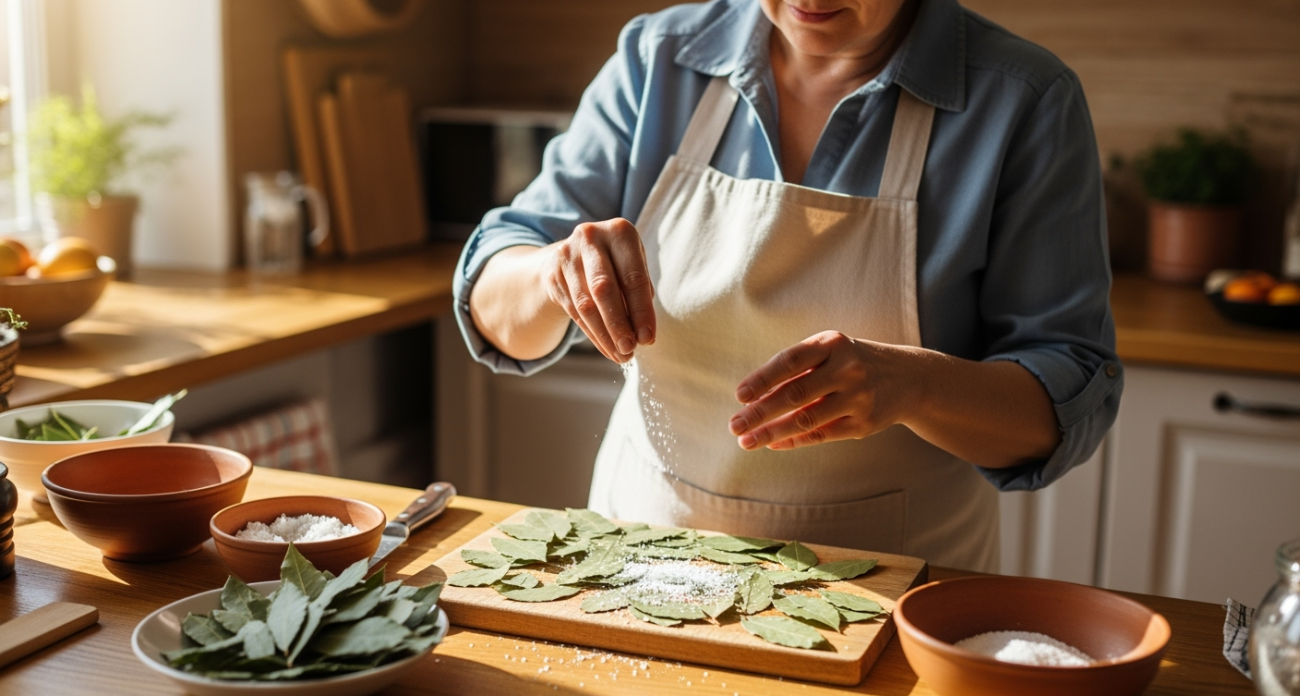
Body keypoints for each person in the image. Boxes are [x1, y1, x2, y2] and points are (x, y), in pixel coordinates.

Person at [454, 0, 1121, 572]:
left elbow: (1065, 401)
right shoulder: (659, 58)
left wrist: (915, 386)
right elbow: (492, 294)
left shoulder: (1022, 101)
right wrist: (552, 273)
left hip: (892, 587)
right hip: (639, 557)